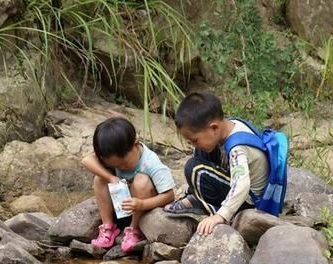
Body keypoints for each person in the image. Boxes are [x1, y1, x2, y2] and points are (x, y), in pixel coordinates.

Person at [165, 91, 269, 235]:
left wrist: (221, 215)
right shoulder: (231, 125)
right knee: (204, 149)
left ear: (214, 127)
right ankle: (195, 194)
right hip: (239, 184)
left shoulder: (237, 149)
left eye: (194, 140)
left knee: (195, 169)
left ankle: (208, 206)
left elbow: (242, 185)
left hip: (250, 203)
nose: (193, 145)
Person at [82, 117, 176, 253]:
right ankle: (108, 227)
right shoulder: (113, 152)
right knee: (99, 178)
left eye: (124, 163)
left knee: (141, 181)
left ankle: (134, 230)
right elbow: (86, 160)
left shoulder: (150, 162)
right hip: (122, 206)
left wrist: (142, 204)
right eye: (115, 165)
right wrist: (110, 177)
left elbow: (169, 196)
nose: (121, 167)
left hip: (142, 206)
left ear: (135, 143)